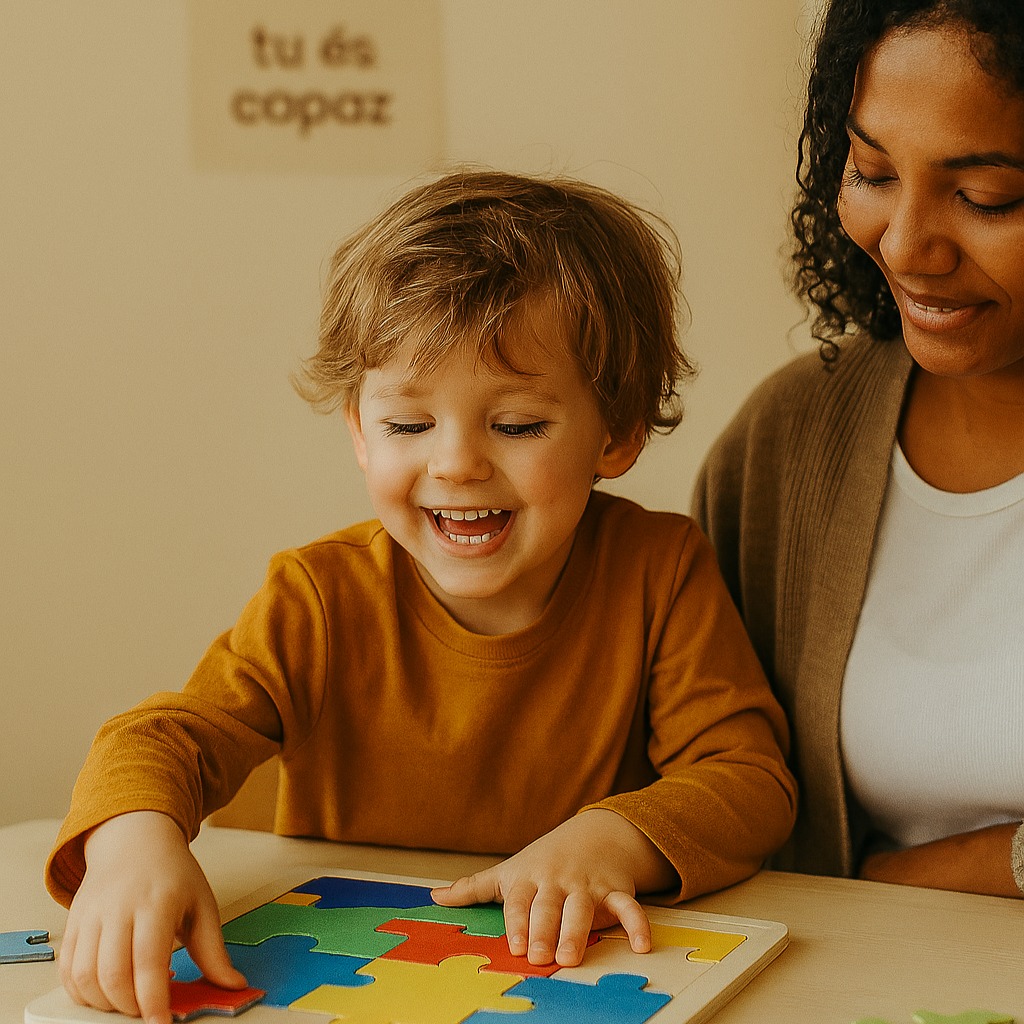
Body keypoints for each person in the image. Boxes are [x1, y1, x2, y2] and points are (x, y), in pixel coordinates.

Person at [47, 170, 797, 1024]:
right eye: (409, 425)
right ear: (361, 433)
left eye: (516, 426)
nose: (455, 464)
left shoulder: (660, 568)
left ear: (617, 432)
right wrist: (131, 844)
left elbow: (749, 781)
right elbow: (161, 737)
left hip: (565, 981)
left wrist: (608, 841)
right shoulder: (319, 595)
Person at [693, 0, 1024, 899]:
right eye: (872, 170)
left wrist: (972, 867)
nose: (908, 243)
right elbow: (684, 759)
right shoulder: (789, 441)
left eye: (986, 196)